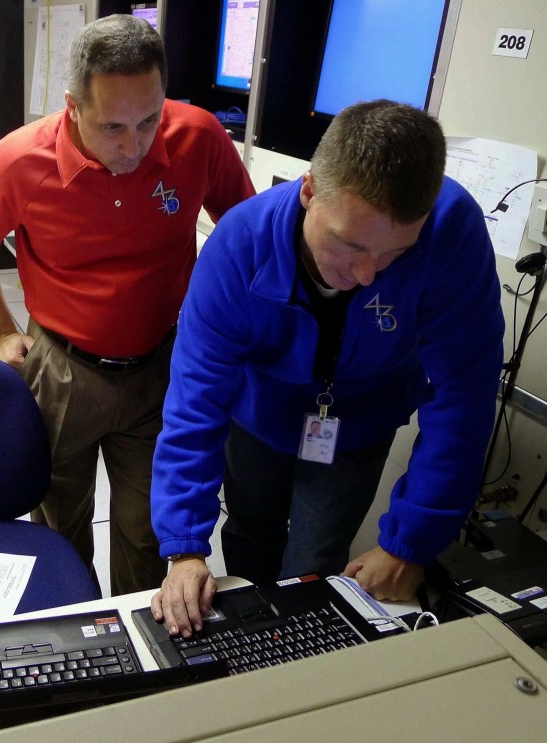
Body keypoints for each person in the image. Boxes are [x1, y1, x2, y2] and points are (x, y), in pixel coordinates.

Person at [150, 100, 505, 637]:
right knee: (249, 540)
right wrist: (183, 548)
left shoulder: (451, 231)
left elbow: (464, 397)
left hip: (358, 423)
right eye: (350, 245)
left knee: (313, 562)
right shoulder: (239, 244)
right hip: (258, 416)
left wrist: (408, 543)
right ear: (309, 190)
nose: (366, 275)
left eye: (393, 256)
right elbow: (195, 399)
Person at [0, 14, 255, 596]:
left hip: (161, 365)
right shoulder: (20, 160)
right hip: (65, 368)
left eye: (148, 121)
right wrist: (2, 332)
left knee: (149, 531)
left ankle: (140, 642)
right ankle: (80, 631)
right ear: (72, 107)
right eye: (113, 126)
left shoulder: (197, 137)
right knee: (59, 520)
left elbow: (243, 231)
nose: (134, 146)